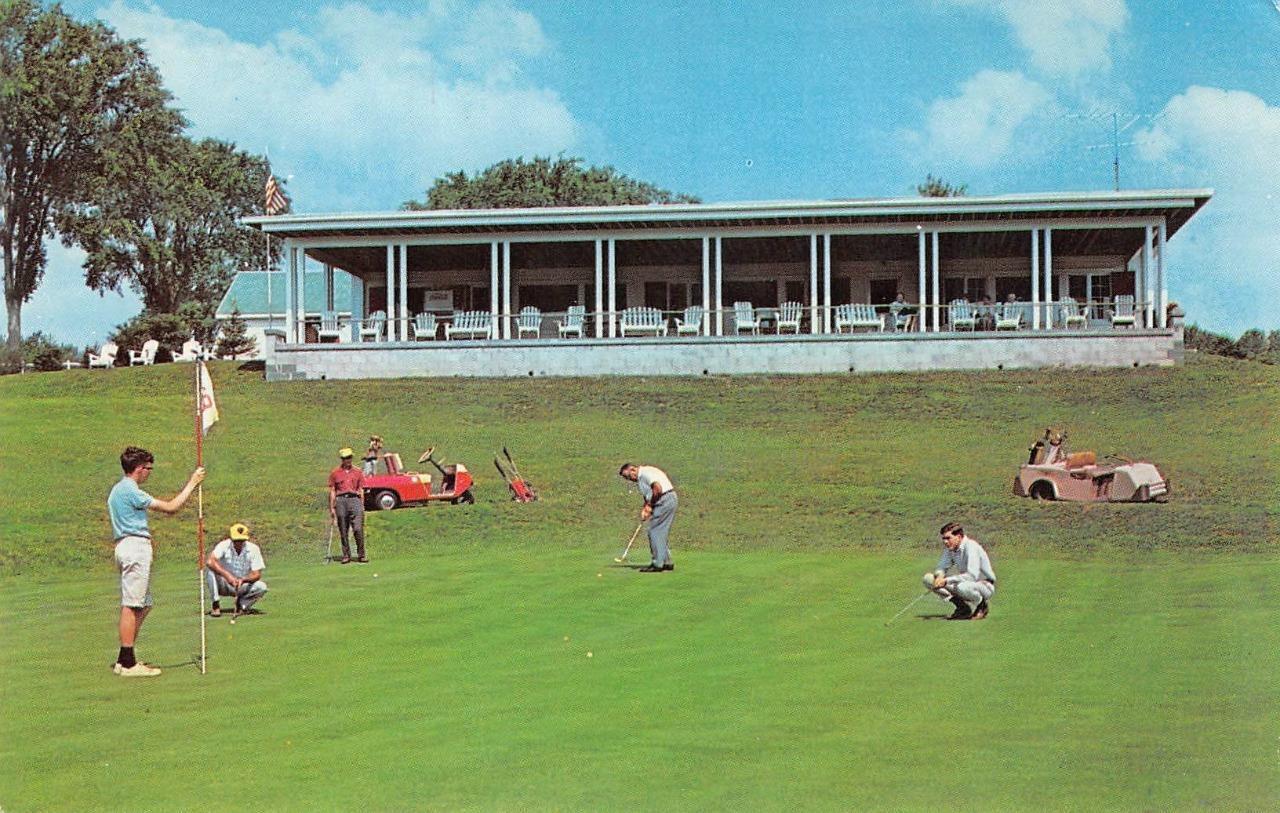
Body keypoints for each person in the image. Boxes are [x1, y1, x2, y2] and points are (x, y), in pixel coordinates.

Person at [107, 446, 205, 677]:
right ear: (139, 469)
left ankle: (125, 657)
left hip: (126, 546)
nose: (150, 473)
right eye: (148, 468)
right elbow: (171, 508)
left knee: (144, 603)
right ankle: (129, 664)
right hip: (134, 546)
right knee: (132, 605)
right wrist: (193, 482)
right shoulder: (130, 490)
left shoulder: (117, 490)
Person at [924, 522, 996, 620]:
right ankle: (963, 608)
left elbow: (972, 576)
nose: (945, 542)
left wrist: (945, 581)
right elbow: (941, 567)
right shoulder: (950, 549)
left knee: (962, 586)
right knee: (928, 579)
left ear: (958, 536)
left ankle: (982, 606)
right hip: (966, 584)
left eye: (948, 538)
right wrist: (940, 576)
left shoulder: (971, 547)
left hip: (985, 585)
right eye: (943, 539)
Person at [618, 462, 678, 573]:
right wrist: (646, 508)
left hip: (665, 499)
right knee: (660, 531)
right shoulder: (642, 477)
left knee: (654, 531)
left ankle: (657, 564)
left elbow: (657, 488)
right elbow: (649, 494)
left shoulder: (645, 473)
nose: (629, 479)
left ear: (633, 470)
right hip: (667, 499)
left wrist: (650, 505)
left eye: (628, 476)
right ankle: (666, 562)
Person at [206, 522, 268, 616]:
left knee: (262, 587)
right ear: (231, 538)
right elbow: (210, 562)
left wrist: (243, 580)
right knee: (210, 571)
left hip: (241, 586)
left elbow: (257, 574)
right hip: (223, 584)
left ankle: (242, 605)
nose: (239, 543)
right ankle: (215, 605)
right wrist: (228, 576)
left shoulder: (254, 549)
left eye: (241, 540)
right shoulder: (223, 545)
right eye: (236, 540)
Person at [328, 447, 367, 564]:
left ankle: (361, 554)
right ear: (342, 459)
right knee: (343, 529)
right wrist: (332, 508)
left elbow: (361, 489)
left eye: (349, 457)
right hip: (341, 500)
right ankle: (346, 555)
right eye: (345, 458)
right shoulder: (335, 473)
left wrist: (362, 505)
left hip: (355, 499)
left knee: (358, 529)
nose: (348, 460)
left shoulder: (358, 471)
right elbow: (333, 491)